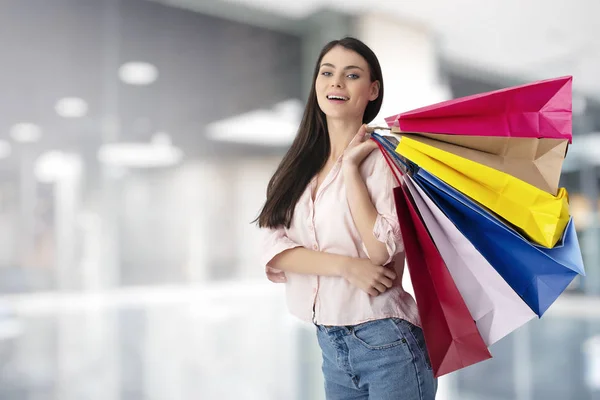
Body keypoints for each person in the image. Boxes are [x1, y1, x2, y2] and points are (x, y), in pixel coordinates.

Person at [256, 37, 437, 400]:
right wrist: (344, 266)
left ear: (372, 90)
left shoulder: (385, 163)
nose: (336, 82)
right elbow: (273, 245)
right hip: (331, 344)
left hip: (387, 342)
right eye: (327, 73)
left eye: (351, 75)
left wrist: (352, 169)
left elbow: (379, 251)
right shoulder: (299, 167)